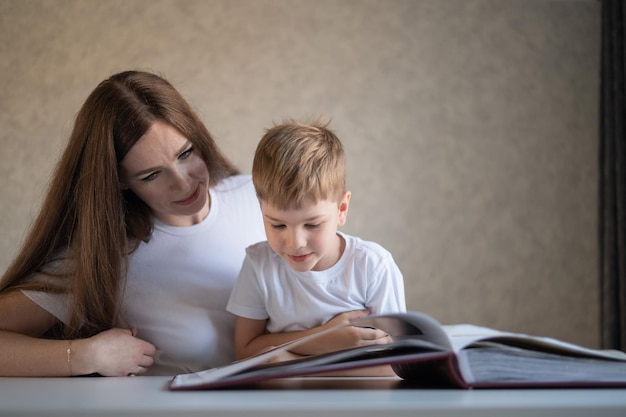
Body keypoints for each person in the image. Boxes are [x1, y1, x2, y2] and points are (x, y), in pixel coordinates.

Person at [0, 70, 268, 377]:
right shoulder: (104, 258)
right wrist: (86, 356)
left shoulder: (263, 199)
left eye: (185, 153)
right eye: (152, 175)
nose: (183, 184)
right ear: (120, 181)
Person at [226, 119, 406, 367]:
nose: (296, 242)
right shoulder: (260, 264)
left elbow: (396, 364)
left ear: (342, 209)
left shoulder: (372, 265)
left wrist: (291, 364)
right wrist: (323, 339)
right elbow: (244, 352)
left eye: (312, 225)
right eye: (278, 225)